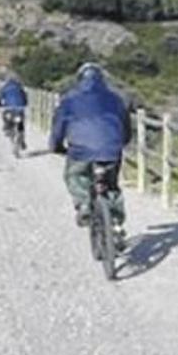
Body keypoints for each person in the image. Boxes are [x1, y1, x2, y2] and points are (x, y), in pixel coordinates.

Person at [49, 63, 131, 242]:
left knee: (74, 175)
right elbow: (125, 125)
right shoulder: (116, 99)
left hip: (80, 150)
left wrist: (56, 146)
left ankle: (84, 203)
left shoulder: (69, 99)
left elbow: (58, 127)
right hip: (111, 150)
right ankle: (116, 222)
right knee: (111, 185)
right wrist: (121, 143)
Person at [0, 72, 28, 150]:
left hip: (9, 108)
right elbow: (25, 98)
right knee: (21, 124)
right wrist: (24, 104)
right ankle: (22, 139)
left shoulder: (5, 87)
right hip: (20, 108)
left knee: (5, 116)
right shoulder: (20, 87)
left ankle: (7, 127)